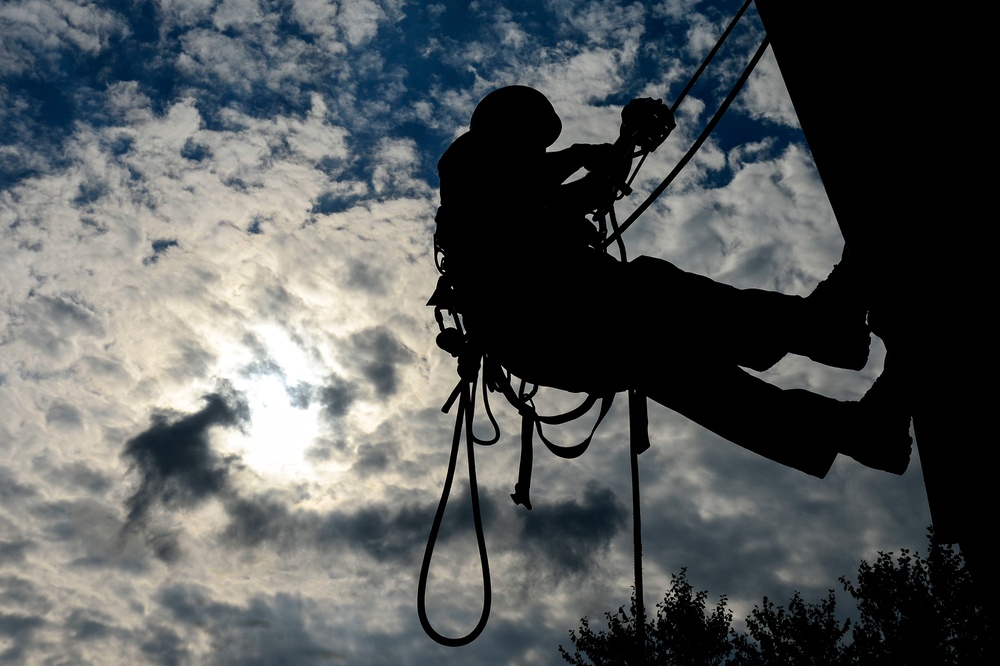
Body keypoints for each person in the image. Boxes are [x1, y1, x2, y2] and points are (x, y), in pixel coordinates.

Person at [433, 85, 910, 478]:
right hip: (544, 326)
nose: (541, 151)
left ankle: (858, 428)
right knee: (653, 291)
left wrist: (625, 138)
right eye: (534, 139)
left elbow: (591, 191)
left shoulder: (513, 197)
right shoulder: (468, 163)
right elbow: (532, 187)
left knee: (680, 369)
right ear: (507, 127)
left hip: (559, 331)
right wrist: (581, 153)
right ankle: (823, 328)